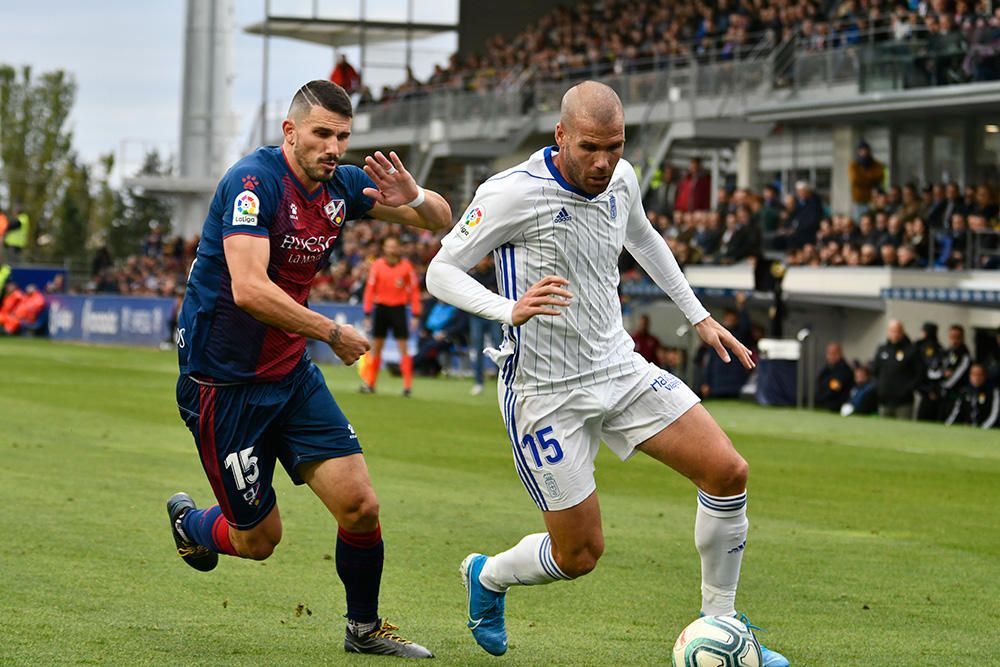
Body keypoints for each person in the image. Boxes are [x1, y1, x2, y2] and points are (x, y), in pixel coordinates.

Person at [425, 81, 788, 666]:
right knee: (579, 554)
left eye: (615, 146)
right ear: (561, 134)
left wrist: (698, 317)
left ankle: (722, 624)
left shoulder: (623, 177)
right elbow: (440, 271)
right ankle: (488, 577)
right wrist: (506, 308)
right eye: (591, 147)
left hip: (618, 368)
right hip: (543, 393)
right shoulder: (511, 193)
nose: (603, 161)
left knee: (727, 471)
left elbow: (642, 236)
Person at [167, 80, 450, 659]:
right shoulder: (254, 183)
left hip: (290, 375)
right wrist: (330, 331)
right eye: (322, 133)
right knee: (258, 540)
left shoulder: (343, 185)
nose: (334, 147)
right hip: (225, 386)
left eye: (343, 136)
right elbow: (248, 289)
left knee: (360, 504)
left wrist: (414, 193)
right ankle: (192, 525)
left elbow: (442, 221)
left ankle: (364, 629)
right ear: (290, 132)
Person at [359, 236, 421, 396]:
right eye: (388, 246)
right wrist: (367, 312)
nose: (391, 249)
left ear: (398, 248)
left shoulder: (407, 267)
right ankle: (370, 383)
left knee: (403, 348)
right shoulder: (377, 266)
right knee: (376, 348)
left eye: (394, 246)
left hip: (399, 309)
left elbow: (414, 292)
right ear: (384, 248)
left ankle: (407, 386)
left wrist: (415, 313)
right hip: (381, 309)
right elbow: (369, 290)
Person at [468, 255, 503, 396]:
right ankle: (478, 382)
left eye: (484, 259)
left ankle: (503, 381)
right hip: (477, 316)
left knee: (499, 347)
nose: (481, 262)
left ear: (488, 260)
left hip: (494, 315)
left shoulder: (496, 274)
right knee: (477, 350)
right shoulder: (472, 277)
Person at [873, 319, 921, 419]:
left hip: (903, 402)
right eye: (892, 331)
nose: (895, 334)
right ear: (888, 332)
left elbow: (919, 374)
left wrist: (907, 390)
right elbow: (875, 371)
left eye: (897, 331)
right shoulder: (882, 349)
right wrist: (879, 388)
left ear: (902, 332)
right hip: (884, 400)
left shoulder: (911, 350)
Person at [945, 363, 999, 428]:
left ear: (985, 376)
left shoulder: (993, 391)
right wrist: (947, 426)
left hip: (987, 429)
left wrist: (983, 428)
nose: (976, 377)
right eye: (973, 374)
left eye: (979, 375)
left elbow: (994, 415)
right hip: (969, 428)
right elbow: (956, 412)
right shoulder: (965, 391)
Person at [913, 322, 945, 421]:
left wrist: (930, 390)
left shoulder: (926, 346)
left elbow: (933, 370)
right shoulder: (938, 347)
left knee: (924, 417)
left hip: (928, 389)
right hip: (927, 388)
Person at [848, 140, 885, 222]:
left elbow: (880, 177)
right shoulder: (854, 165)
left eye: (866, 150)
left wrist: (863, 178)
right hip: (859, 199)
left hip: (873, 199)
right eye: (862, 150)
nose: (864, 152)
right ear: (858, 151)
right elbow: (855, 179)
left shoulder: (876, 164)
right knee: (859, 221)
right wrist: (871, 180)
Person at [815, 342, 854, 412]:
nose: (830, 356)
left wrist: (823, 397)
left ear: (840, 354)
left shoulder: (844, 370)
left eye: (833, 353)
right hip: (825, 404)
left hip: (837, 406)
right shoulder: (827, 369)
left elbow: (835, 388)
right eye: (828, 353)